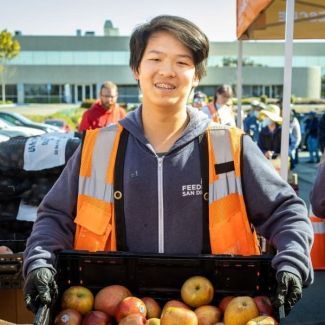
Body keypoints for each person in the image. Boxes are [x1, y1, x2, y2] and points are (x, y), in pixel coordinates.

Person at [23, 15, 313, 317]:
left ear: (197, 75)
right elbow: (54, 216)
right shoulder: (98, 148)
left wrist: (292, 261)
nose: (167, 71)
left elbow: (286, 211)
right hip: (112, 313)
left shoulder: (230, 147)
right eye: (155, 58)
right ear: (137, 68)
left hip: (217, 309)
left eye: (182, 62)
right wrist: (40, 262)